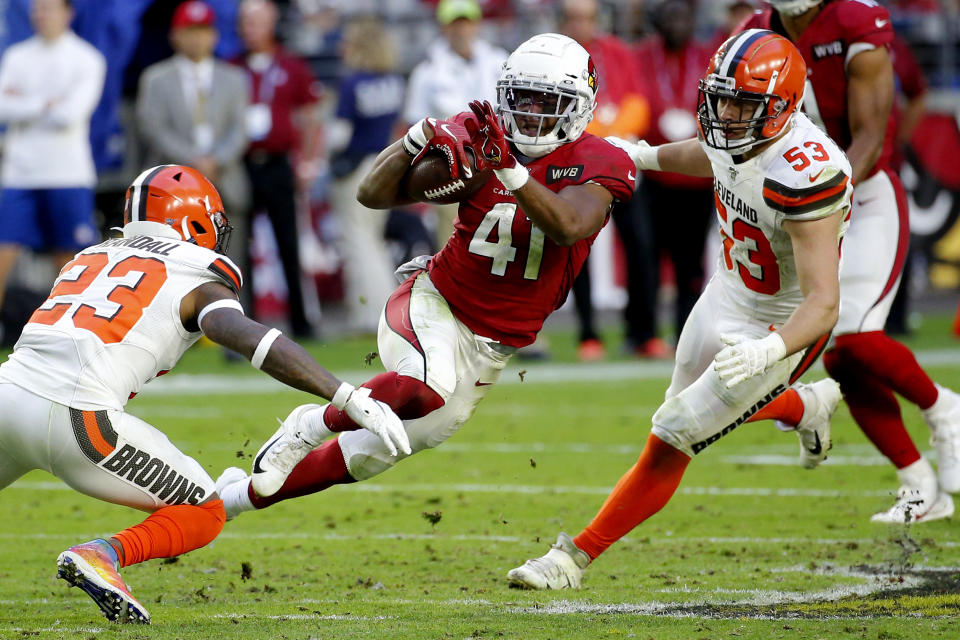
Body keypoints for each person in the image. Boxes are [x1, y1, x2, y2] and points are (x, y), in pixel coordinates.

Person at [214, 33, 636, 522]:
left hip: (493, 345)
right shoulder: (483, 138)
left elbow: (568, 228)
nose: (531, 114)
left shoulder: (604, 161)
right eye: (522, 99)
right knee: (426, 384)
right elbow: (373, 195)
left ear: (579, 106)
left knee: (374, 451)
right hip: (436, 301)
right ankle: (308, 422)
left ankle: (233, 499)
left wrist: (511, 172)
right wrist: (416, 138)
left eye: (548, 102)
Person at [507, 30, 852, 590]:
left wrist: (771, 347)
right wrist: (642, 154)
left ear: (784, 108)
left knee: (676, 431)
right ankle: (803, 407)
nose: (727, 114)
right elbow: (711, 155)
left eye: (744, 103)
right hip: (729, 290)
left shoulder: (808, 170)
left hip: (782, 318)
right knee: (682, 412)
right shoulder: (740, 128)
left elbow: (824, 302)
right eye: (722, 98)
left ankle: (572, 558)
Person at [0, 165, 408, 623]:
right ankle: (103, 554)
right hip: (75, 417)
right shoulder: (193, 272)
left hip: (6, 393)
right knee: (204, 510)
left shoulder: (91, 256)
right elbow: (250, 339)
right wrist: (345, 395)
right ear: (192, 224)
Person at [742, 0, 960, 524]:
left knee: (856, 337)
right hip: (797, 204)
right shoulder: (754, 31)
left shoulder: (856, 21)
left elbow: (868, 135)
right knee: (841, 359)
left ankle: (943, 409)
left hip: (862, 196)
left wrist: (822, 194)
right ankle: (919, 484)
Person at [558, 0, 663, 362]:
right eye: (574, 18)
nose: (581, 25)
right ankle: (588, 333)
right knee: (577, 249)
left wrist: (610, 132)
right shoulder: (556, 58)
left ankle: (643, 332)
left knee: (641, 248)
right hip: (577, 168)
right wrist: (601, 132)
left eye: (586, 18)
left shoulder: (617, 52)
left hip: (621, 163)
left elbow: (639, 103)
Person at [136, 0, 251, 304]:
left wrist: (215, 161)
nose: (197, 38)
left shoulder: (234, 77)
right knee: (173, 266)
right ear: (175, 35)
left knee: (232, 260)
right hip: (173, 190)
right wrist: (193, 163)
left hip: (224, 179)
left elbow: (239, 130)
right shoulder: (155, 78)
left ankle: (238, 326)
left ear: (214, 35)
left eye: (203, 31)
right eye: (190, 31)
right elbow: (154, 128)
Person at [0, 0, 105, 313]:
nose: (41, 15)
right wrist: (47, 103)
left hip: (67, 173)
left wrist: (26, 103)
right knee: (4, 252)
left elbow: (71, 114)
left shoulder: (87, 58)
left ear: (67, 13)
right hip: (19, 172)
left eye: (48, 8)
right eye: (37, 9)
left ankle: (73, 330)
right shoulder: (17, 55)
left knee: (70, 261)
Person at [235, 0, 322, 338]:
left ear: (271, 23)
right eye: (245, 22)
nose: (248, 29)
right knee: (240, 245)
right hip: (242, 164)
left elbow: (311, 116)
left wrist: (309, 160)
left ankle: (302, 321)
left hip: (278, 163)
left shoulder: (291, 65)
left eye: (255, 21)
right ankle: (246, 323)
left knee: (289, 244)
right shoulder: (232, 66)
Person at [633, 0, 716, 347]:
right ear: (658, 20)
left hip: (697, 180)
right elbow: (636, 100)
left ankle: (686, 334)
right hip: (654, 176)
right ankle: (643, 334)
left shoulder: (709, 58)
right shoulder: (642, 57)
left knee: (691, 265)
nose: (676, 23)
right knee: (647, 257)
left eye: (683, 16)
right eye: (669, 16)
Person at [402, 0, 508, 248]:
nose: (462, 30)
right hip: (450, 171)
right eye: (455, 24)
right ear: (444, 28)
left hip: (499, 166)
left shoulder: (499, 62)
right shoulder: (426, 72)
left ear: (477, 25)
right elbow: (413, 128)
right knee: (452, 243)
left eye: (466, 22)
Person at [327, 17, 406, 334]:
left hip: (357, 166)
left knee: (359, 241)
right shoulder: (394, 81)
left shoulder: (353, 83)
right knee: (373, 239)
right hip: (386, 162)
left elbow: (339, 136)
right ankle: (387, 305)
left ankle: (370, 312)